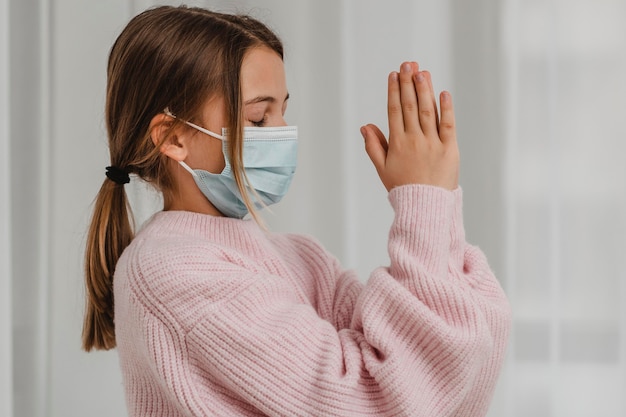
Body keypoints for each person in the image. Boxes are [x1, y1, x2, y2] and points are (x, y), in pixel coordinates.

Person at [82, 5, 510, 417]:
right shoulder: (170, 271)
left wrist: (438, 203)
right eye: (258, 118)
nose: (283, 133)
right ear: (174, 138)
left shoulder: (301, 258)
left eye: (282, 111)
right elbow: (378, 401)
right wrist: (421, 203)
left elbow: (459, 364)